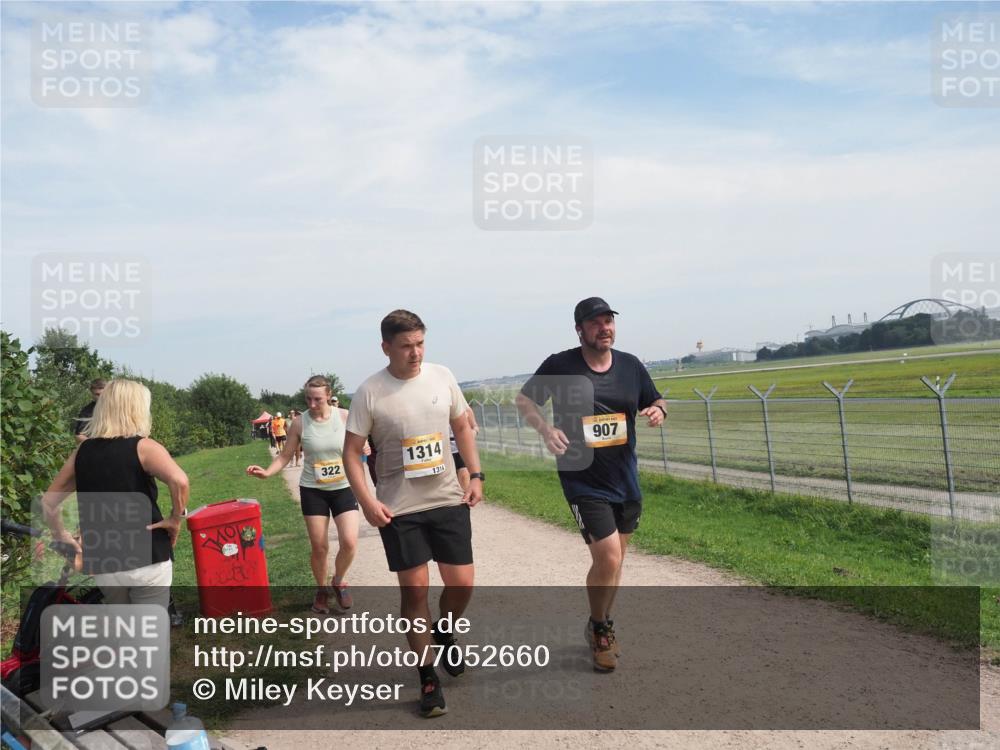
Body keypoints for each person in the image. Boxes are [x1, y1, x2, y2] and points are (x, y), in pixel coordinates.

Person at [343, 309, 482, 719]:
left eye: (420, 343)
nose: (415, 352)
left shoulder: (442, 376)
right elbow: (351, 453)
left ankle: (445, 629)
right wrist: (367, 501)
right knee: (415, 591)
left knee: (462, 584)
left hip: (447, 498)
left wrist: (476, 475)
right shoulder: (370, 392)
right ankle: (427, 676)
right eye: (406, 346)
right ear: (386, 347)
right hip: (399, 508)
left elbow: (462, 427)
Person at [515, 297, 666, 673]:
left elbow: (655, 398)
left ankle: (602, 621)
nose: (605, 328)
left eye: (609, 321)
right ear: (579, 329)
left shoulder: (630, 365)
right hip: (582, 477)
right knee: (608, 557)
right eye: (596, 322)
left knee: (615, 563)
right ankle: (600, 629)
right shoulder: (561, 365)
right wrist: (546, 429)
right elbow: (524, 400)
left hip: (625, 478)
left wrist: (658, 410)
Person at [42, 379, 189, 609]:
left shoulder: (82, 451)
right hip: (147, 556)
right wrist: (175, 519)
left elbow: (49, 502)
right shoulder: (144, 447)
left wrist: (60, 534)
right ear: (138, 408)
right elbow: (180, 481)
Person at [247, 378, 366, 614]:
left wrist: (365, 448)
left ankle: (338, 580)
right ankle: (321, 590)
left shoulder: (345, 417)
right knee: (319, 547)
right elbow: (285, 455)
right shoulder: (299, 423)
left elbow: (359, 445)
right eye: (308, 399)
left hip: (343, 487)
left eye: (317, 399)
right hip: (313, 490)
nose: (312, 404)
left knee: (350, 542)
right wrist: (267, 472)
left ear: (329, 395)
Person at [450, 409, 480, 492]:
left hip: (461, 449)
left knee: (464, 477)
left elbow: (475, 426)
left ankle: (465, 498)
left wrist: (473, 432)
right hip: (445, 451)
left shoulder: (466, 409)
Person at [73, 378, 106, 444]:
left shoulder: (118, 408)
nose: (100, 397)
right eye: (97, 394)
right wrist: (96, 446)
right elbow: (79, 436)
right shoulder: (87, 411)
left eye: (103, 394)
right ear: (92, 393)